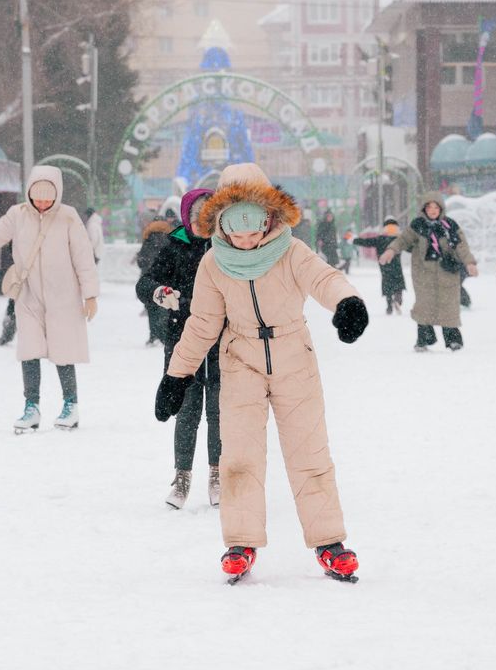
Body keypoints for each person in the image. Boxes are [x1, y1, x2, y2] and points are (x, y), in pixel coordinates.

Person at [154, 162, 367, 583]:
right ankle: (241, 541)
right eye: (236, 226)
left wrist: (346, 302)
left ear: (270, 216)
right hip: (241, 360)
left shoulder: (291, 251)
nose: (247, 238)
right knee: (239, 458)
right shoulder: (214, 263)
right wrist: (177, 376)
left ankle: (329, 542)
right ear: (221, 222)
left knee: (310, 454)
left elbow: (324, 278)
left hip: (294, 357)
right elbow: (201, 324)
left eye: (255, 225)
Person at [0, 166, 99, 431]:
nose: (43, 203)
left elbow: (84, 258)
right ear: (29, 193)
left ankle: (71, 405)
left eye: (49, 198)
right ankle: (31, 407)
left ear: (58, 194)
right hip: (29, 296)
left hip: (64, 296)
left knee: (64, 351)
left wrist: (90, 294)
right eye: (38, 197)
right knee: (29, 350)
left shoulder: (68, 217)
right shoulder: (18, 215)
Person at [137, 188, 221, 509]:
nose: (203, 224)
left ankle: (217, 474)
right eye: (198, 218)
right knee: (186, 412)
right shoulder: (175, 245)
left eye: (209, 218)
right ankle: (182, 476)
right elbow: (145, 283)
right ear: (187, 217)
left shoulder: (225, 246)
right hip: (181, 340)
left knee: (219, 412)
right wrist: (161, 292)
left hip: (220, 342)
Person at [381, 199, 476, 351]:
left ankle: (453, 340)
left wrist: (470, 263)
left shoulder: (450, 225)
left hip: (447, 272)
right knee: (424, 306)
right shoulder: (418, 225)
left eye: (436, 207)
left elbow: (461, 246)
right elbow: (403, 240)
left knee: (448, 306)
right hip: (423, 273)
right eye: (429, 207)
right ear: (424, 209)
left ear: (441, 208)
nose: (433, 210)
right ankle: (424, 339)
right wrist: (391, 250)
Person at [352, 217, 407, 314]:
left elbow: (366, 242)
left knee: (387, 284)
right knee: (398, 282)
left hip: (384, 266)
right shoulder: (399, 239)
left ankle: (389, 305)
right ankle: (398, 299)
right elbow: (410, 246)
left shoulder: (380, 239)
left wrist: (354, 240)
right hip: (396, 265)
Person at [135, 218, 174, 346]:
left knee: (152, 308)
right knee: (164, 307)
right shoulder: (171, 239)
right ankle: (164, 335)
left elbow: (141, 260)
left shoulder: (148, 239)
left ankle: (153, 335)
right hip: (166, 279)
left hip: (150, 279)